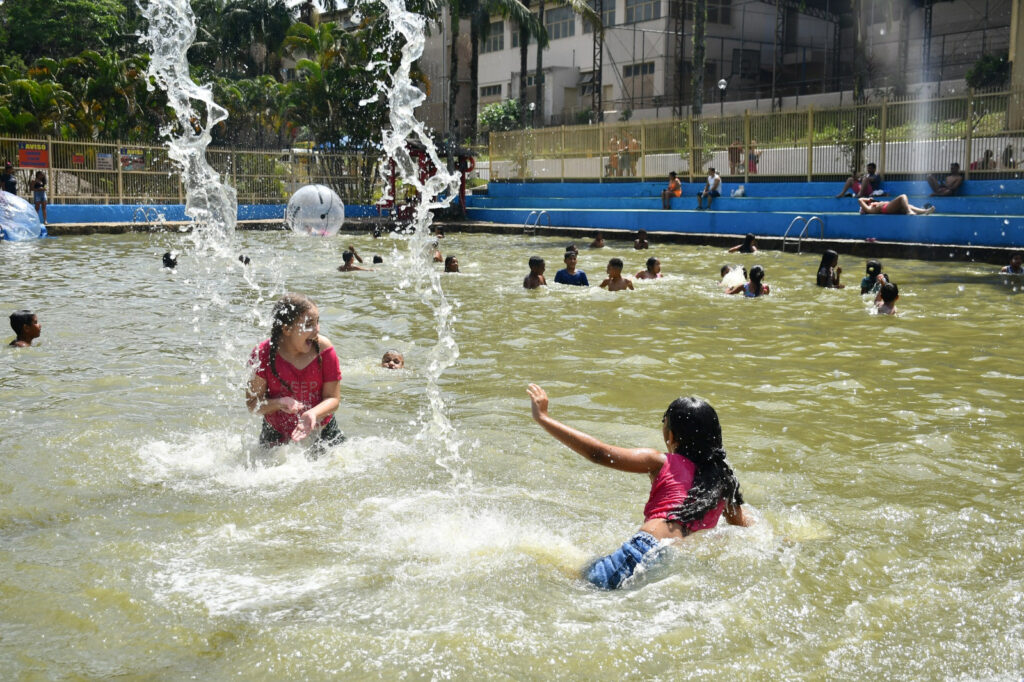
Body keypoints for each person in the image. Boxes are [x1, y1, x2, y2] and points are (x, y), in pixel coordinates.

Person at [525, 383, 751, 590]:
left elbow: (599, 454)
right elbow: (746, 529)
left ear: (671, 435)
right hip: (675, 565)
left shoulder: (661, 462)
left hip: (644, 549)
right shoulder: (723, 482)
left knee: (559, 576)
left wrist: (543, 418)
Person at [246, 293, 344, 451]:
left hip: (323, 431)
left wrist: (312, 414)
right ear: (286, 329)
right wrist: (279, 403)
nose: (316, 330)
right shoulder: (262, 354)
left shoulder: (324, 349)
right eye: (309, 324)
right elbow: (252, 404)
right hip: (275, 433)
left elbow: (333, 399)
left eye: (317, 322)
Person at [858, 195, 935, 215]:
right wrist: (868, 199)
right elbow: (860, 199)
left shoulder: (873, 206)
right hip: (886, 208)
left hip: (888, 207)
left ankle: (925, 211)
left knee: (909, 205)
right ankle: (909, 211)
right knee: (903, 196)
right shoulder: (869, 208)